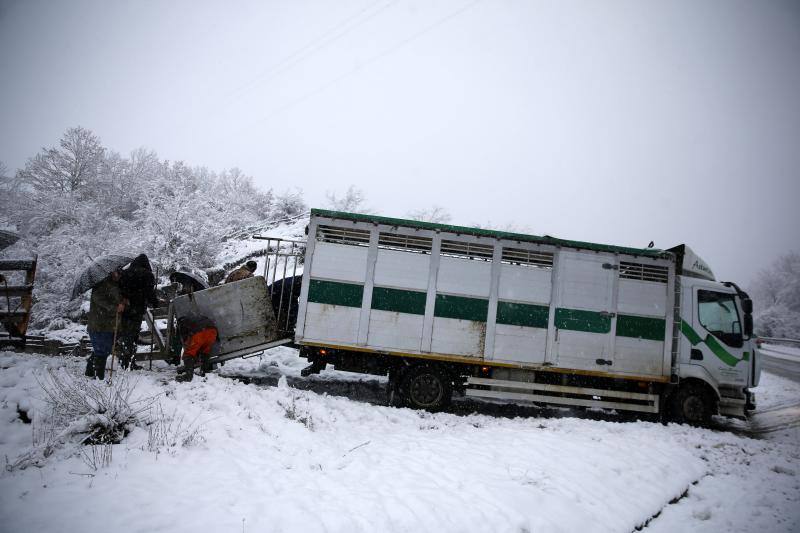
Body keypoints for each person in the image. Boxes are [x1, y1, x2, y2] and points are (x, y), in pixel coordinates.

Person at [117, 254, 158, 370]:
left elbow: (120, 289)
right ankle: (130, 362)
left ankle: (124, 360)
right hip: (138, 309)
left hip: (126, 308)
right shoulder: (147, 275)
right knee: (133, 335)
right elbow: (150, 293)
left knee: (126, 335)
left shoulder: (125, 274)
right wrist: (155, 302)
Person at [85, 270, 125, 380]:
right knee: (101, 352)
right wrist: (115, 307)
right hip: (100, 324)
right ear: (111, 272)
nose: (119, 275)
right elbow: (100, 301)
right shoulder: (101, 284)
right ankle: (99, 378)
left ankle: (90, 371)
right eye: (117, 273)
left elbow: (115, 299)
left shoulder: (114, 284)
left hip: (108, 325)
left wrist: (123, 302)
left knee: (103, 350)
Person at [175, 311, 218, 382]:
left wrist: (190, 351)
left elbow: (185, 338)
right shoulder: (198, 317)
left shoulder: (182, 322)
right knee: (205, 352)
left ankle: (188, 376)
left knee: (188, 354)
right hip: (213, 332)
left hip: (199, 333)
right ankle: (205, 371)